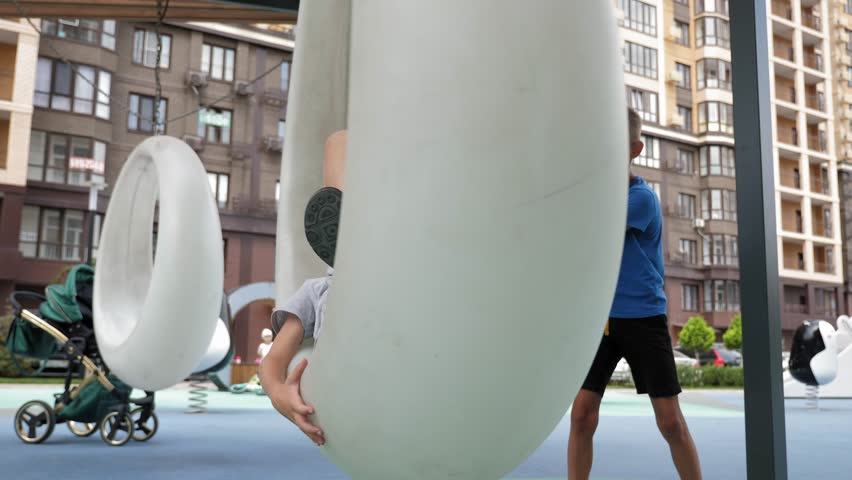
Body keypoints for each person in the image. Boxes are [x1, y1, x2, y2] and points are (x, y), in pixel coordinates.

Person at [567, 109, 702, 480]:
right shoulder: (593, 193)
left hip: (643, 318)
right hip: (601, 321)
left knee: (670, 422)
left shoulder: (641, 198)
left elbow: (588, 226)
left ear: (635, 149)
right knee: (581, 415)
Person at [258, 130, 347, 447]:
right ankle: (349, 220)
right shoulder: (316, 292)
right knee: (339, 141)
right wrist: (277, 393)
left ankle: (357, 222)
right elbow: (272, 363)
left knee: (341, 141)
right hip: (349, 297)